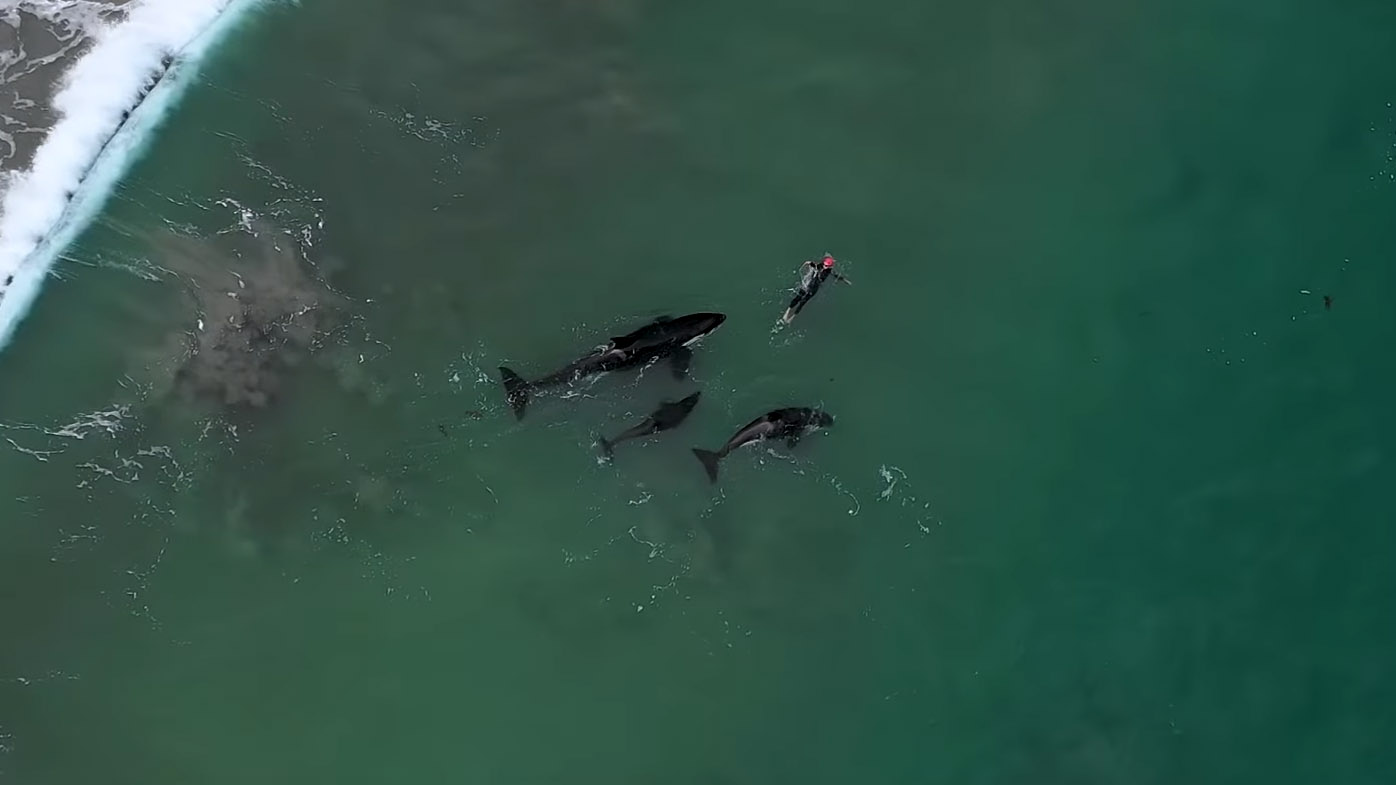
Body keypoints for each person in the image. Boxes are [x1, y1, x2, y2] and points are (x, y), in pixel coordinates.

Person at [781, 253, 851, 324]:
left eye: (826, 266)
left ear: (830, 266)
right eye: (824, 264)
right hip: (807, 284)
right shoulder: (818, 266)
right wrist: (807, 263)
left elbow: (837, 276)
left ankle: (792, 318)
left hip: (813, 289)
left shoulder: (829, 271)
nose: (824, 266)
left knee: (802, 303)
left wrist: (845, 281)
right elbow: (810, 263)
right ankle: (787, 312)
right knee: (797, 298)